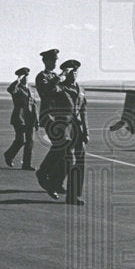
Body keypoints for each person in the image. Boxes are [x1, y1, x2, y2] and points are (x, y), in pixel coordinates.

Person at [39, 60, 89, 203]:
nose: (73, 74)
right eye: (70, 72)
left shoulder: (81, 89)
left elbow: (83, 111)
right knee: (68, 159)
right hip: (65, 128)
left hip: (78, 129)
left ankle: (74, 195)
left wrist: (86, 131)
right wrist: (59, 77)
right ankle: (50, 179)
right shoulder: (60, 88)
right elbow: (47, 91)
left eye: (75, 71)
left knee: (80, 161)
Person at [35, 49, 65, 196]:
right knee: (60, 146)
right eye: (52, 60)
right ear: (45, 61)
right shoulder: (42, 77)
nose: (55, 63)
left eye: (55, 60)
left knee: (63, 148)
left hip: (59, 117)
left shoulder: (54, 76)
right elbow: (46, 91)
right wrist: (59, 77)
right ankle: (43, 172)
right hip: (49, 116)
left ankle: (56, 181)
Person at [4, 67, 38, 170]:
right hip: (19, 118)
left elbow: (34, 104)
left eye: (27, 76)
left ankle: (27, 164)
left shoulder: (31, 89)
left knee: (30, 141)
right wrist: (17, 80)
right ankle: (9, 155)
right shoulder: (17, 88)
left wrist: (36, 119)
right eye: (24, 76)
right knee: (20, 140)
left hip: (30, 118)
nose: (26, 78)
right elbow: (10, 90)